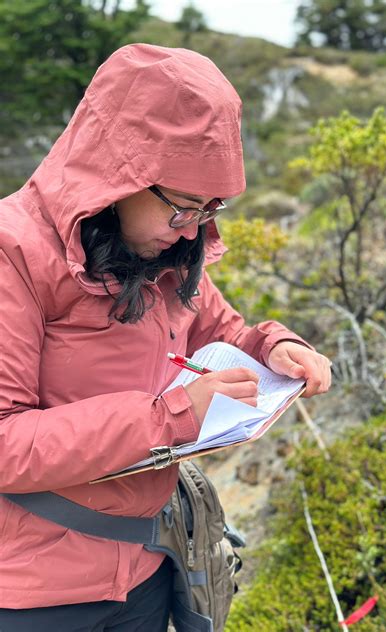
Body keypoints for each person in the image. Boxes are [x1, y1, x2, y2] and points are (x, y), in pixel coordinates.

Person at [0, 44, 331, 631]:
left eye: (211, 209)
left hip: (151, 564)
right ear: (116, 173)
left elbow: (213, 324)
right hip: (33, 593)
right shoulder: (15, 253)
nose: (191, 234)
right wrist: (171, 417)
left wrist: (270, 347)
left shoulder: (161, 248)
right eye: (182, 208)